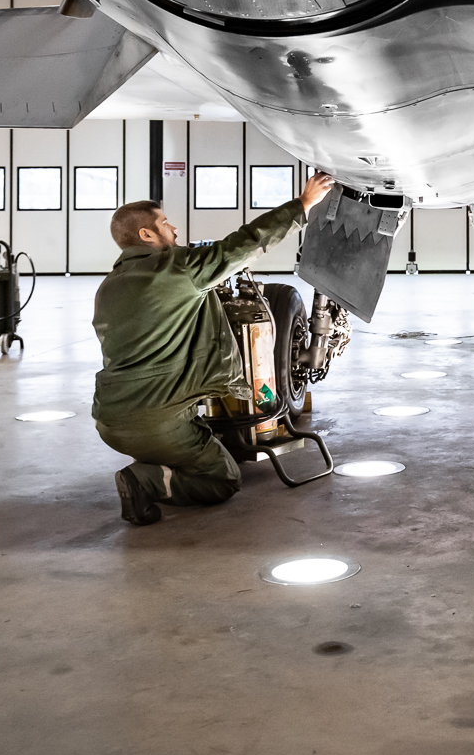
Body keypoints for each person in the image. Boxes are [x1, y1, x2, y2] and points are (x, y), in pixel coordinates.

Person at [93, 171, 336, 525]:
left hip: (109, 418)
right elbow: (243, 245)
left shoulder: (109, 287)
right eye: (165, 223)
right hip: (156, 421)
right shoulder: (178, 269)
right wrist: (302, 204)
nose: (174, 229)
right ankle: (144, 479)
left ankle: (156, 461)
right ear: (146, 235)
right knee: (223, 479)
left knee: (183, 434)